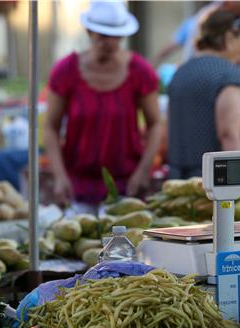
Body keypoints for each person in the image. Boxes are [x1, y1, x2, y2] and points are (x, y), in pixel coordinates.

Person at [43, 1, 161, 210]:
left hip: (127, 184)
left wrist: (144, 171)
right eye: (103, 35)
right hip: (78, 185)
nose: (110, 42)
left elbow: (155, 125)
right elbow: (50, 127)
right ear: (90, 32)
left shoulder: (140, 71)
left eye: (116, 36)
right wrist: (60, 176)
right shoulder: (66, 71)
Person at [166, 10, 240, 179]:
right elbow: (229, 135)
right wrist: (239, 184)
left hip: (176, 183)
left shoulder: (181, 72)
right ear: (229, 39)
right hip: (212, 184)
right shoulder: (229, 75)